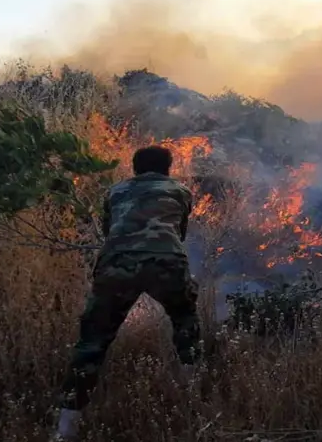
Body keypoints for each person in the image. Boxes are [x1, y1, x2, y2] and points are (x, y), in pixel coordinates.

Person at [51, 145, 202, 441]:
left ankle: (64, 429)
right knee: (185, 321)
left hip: (117, 263)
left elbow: (110, 231)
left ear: (135, 168)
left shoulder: (116, 191)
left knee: (92, 343)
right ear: (167, 168)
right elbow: (180, 233)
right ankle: (192, 397)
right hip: (166, 262)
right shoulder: (180, 190)